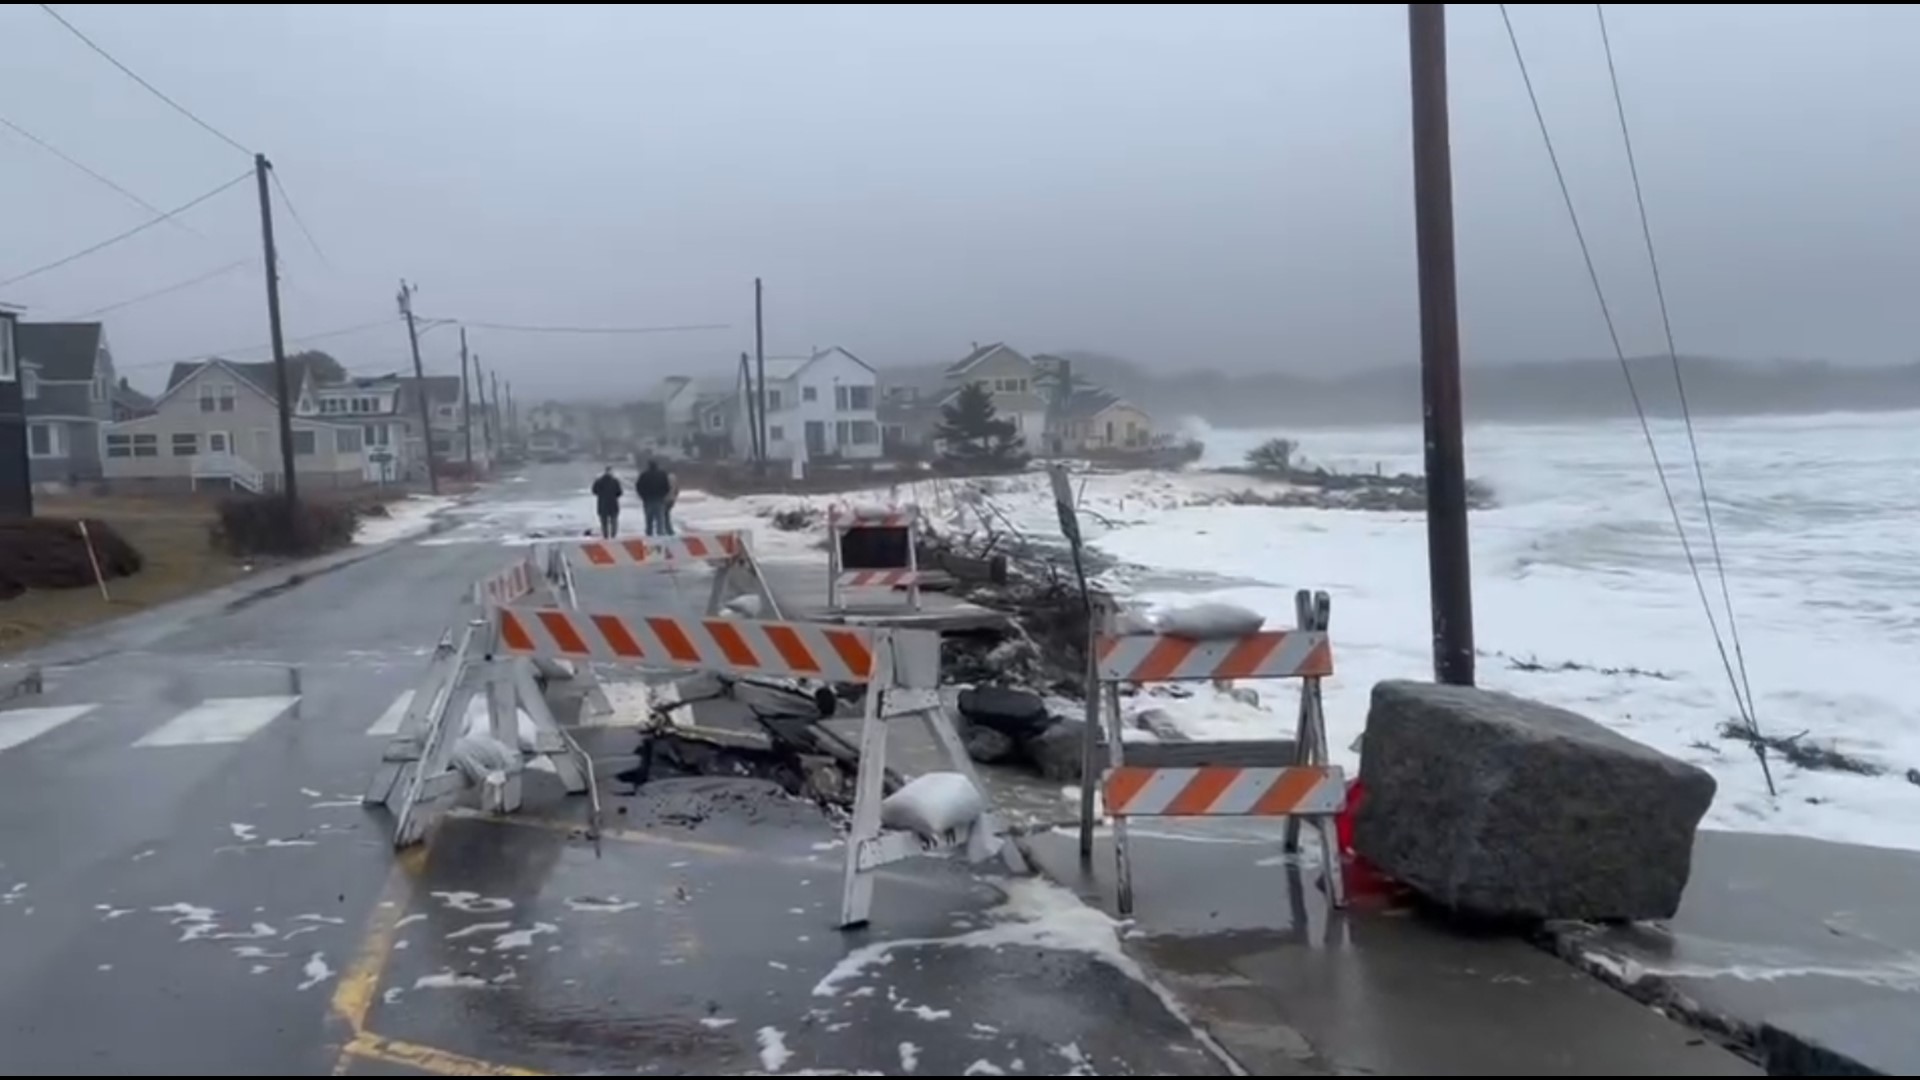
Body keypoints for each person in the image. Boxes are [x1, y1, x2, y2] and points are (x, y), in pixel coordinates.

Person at [635, 459, 673, 536]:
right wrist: (663, 495)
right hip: (659, 500)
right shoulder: (662, 474)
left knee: (649, 520)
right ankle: (660, 536)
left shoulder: (644, 475)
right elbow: (667, 487)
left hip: (648, 500)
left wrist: (643, 496)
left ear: (649, 466)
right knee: (660, 520)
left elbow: (638, 487)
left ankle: (649, 535)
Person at [590, 466, 623, 539]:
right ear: (611, 472)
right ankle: (613, 535)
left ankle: (605, 536)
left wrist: (601, 495)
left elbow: (594, 491)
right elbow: (619, 492)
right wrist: (614, 495)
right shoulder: (615, 481)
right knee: (614, 521)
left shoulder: (599, 481)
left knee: (604, 522)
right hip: (613, 504)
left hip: (602, 504)